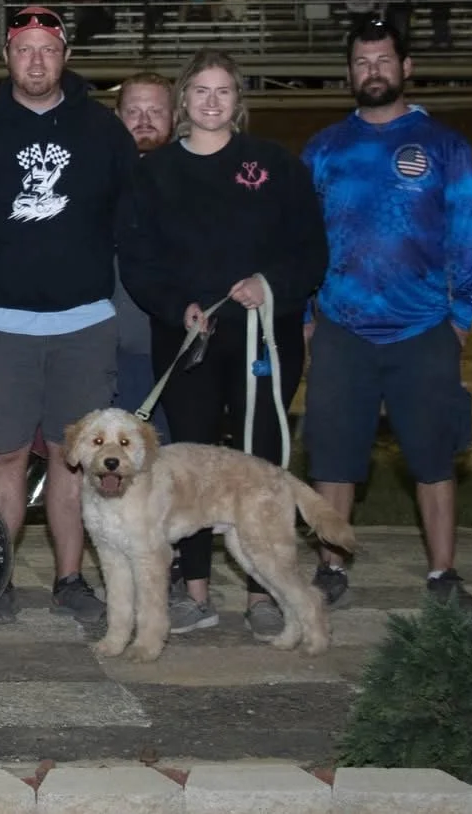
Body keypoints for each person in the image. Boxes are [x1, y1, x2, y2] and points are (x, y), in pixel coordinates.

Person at [0, 5, 137, 626]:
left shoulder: (101, 131)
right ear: (8, 57)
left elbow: (132, 212)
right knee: (8, 456)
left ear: (64, 55)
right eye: (25, 50)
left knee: (72, 458)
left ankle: (71, 580)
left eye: (48, 49)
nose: (37, 60)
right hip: (2, 325)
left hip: (83, 324)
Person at [119, 51, 327, 638]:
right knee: (190, 461)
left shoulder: (275, 166)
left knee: (259, 463)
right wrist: (175, 305)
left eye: (224, 92)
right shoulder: (152, 173)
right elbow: (139, 259)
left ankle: (266, 591)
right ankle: (194, 590)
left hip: (265, 338)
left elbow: (309, 250)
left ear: (239, 100)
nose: (211, 102)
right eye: (201, 91)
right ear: (182, 99)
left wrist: (271, 285)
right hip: (187, 341)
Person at [302, 19, 472, 611]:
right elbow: (300, 238)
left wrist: (461, 318)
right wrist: (308, 316)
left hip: (423, 329)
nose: (373, 71)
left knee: (432, 458)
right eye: (361, 61)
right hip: (341, 330)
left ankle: (443, 573)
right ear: (349, 72)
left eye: (383, 60)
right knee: (334, 456)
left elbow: (469, 236)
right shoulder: (325, 148)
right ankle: (332, 567)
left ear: (406, 68)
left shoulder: (445, 146)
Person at [108, 74, 173, 440]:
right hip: (107, 348)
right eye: (133, 110)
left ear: (175, 116)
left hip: (173, 347)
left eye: (155, 111)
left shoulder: (195, 177)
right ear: (117, 116)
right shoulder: (95, 175)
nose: (144, 119)